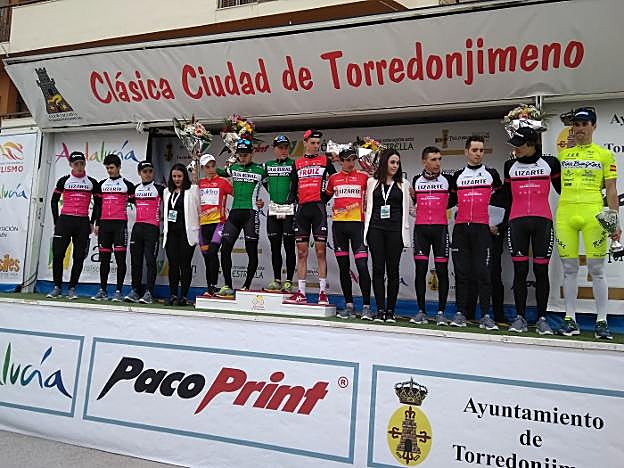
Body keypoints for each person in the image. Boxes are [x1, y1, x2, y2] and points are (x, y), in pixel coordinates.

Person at [555, 107, 620, 340]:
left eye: (585, 124)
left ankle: (602, 321)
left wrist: (614, 220)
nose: (580, 128)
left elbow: (611, 189)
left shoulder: (604, 155)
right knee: (569, 269)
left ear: (594, 126)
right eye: (577, 124)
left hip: (593, 215)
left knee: (597, 269)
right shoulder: (562, 155)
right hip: (566, 215)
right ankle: (569, 319)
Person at [503, 127, 561, 334]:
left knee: (541, 271)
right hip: (516, 222)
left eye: (520, 145)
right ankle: (519, 317)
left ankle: (542, 319)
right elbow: (506, 198)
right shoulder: (509, 165)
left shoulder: (550, 163)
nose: (516, 149)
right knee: (519, 271)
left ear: (532, 145)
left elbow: (563, 191)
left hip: (542, 222)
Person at [450, 135, 503, 330]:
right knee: (462, 273)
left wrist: (496, 222)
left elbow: (501, 199)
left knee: (484, 273)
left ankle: (486, 315)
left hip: (482, 229)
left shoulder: (491, 174)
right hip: (461, 229)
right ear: (466, 152)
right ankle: (460, 313)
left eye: (481, 150)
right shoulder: (457, 175)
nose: (478, 154)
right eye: (474, 150)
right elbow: (449, 201)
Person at [286, 130, 336, 305]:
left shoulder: (325, 161)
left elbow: (334, 182)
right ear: (305, 143)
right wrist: (286, 205)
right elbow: (293, 189)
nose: (316, 146)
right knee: (301, 252)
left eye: (318, 144)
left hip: (318, 210)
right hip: (302, 211)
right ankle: (301, 292)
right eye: (313, 143)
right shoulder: (297, 163)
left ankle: (322, 293)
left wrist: (323, 199)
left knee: (321, 251)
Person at [363, 148, 412, 323]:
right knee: (377, 269)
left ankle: (391, 311)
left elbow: (412, 208)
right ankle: (380, 310)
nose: (395, 166)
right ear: (384, 163)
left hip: (395, 232)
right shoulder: (371, 182)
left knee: (393, 271)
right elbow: (366, 205)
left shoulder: (404, 184)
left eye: (397, 163)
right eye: (392, 162)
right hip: (375, 230)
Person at [409, 146, 456, 326]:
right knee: (420, 271)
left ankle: (441, 313)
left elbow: (453, 200)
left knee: (442, 271)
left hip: (440, 230)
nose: (437, 163)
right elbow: (413, 203)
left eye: (439, 159)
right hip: (421, 230)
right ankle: (421, 311)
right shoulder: (416, 180)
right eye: (433, 159)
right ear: (424, 161)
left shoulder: (447, 180)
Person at [216, 139, 267, 297]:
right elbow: (218, 171)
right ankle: (227, 285)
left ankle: (246, 286)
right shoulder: (233, 168)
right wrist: (199, 162)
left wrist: (267, 202)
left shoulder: (261, 170)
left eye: (245, 154)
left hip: (251, 213)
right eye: (240, 155)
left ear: (252, 153)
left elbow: (271, 188)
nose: (242, 157)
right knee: (225, 248)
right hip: (235, 213)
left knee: (251, 250)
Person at [325, 147, 372, 319]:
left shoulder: (364, 177)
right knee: (343, 268)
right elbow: (324, 198)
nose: (351, 163)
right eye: (347, 160)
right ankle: (349, 305)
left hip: (358, 225)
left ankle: (366, 306)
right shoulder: (333, 179)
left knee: (362, 266)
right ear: (341, 161)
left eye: (353, 159)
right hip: (339, 227)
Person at [47, 151, 99, 299]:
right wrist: (57, 221)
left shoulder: (92, 182)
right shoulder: (64, 180)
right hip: (65, 220)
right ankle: (57, 287)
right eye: (76, 164)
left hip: (82, 222)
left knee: (79, 256)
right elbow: (53, 201)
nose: (79, 167)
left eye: (82, 163)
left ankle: (72, 288)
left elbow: (98, 204)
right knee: (58, 254)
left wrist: (92, 222)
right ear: (71, 165)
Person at [91, 154, 135, 302]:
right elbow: (98, 206)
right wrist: (96, 223)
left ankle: (118, 291)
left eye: (112, 167)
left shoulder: (128, 185)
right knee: (104, 260)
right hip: (104, 225)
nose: (109, 170)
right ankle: (103, 290)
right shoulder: (101, 184)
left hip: (120, 225)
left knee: (120, 259)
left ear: (119, 167)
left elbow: (138, 203)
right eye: (107, 168)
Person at [124, 160, 165, 304]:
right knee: (135, 261)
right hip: (138, 227)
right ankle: (135, 290)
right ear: (139, 173)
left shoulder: (160, 189)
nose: (148, 174)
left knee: (150, 261)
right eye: (144, 172)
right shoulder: (135, 189)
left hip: (152, 228)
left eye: (150, 171)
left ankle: (149, 292)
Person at [163, 163, 200, 306]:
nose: (177, 179)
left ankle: (184, 296)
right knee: (173, 264)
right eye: (174, 176)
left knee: (185, 265)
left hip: (187, 233)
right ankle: (173, 294)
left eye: (179, 176)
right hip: (171, 234)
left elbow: (199, 209)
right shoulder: (167, 191)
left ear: (184, 176)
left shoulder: (193, 190)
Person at [264, 135, 296, 293]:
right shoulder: (267, 166)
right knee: (275, 247)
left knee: (289, 247)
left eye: (286, 147)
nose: (284, 150)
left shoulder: (293, 164)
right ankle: (277, 279)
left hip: (288, 210)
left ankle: (289, 280)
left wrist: (290, 200)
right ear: (274, 149)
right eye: (280, 147)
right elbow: (264, 183)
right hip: (273, 209)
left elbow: (296, 186)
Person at [197, 153, 232, 297]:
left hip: (219, 223)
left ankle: (214, 286)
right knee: (207, 257)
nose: (211, 169)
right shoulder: (199, 183)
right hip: (203, 224)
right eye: (207, 167)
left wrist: (256, 202)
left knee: (212, 252)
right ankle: (210, 288)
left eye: (213, 166)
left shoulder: (223, 182)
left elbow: (239, 195)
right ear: (202, 168)